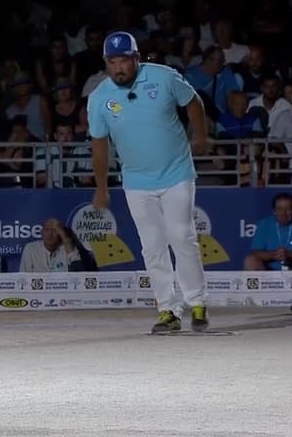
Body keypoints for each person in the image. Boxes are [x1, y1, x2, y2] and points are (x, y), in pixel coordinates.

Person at [87, 31, 209, 333]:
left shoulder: (164, 77)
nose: (119, 68)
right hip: (137, 180)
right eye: (112, 62)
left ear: (136, 58)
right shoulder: (99, 97)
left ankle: (197, 302)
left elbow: (193, 102)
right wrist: (101, 187)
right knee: (152, 246)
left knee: (182, 236)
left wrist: (201, 136)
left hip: (176, 172)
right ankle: (168, 310)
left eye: (124, 61)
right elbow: (99, 145)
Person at [243, 193, 292, 271]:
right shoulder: (264, 224)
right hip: (269, 269)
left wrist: (289, 254)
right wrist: (274, 255)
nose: (284, 213)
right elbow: (255, 252)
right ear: (274, 211)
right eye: (280, 209)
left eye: (288, 209)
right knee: (250, 260)